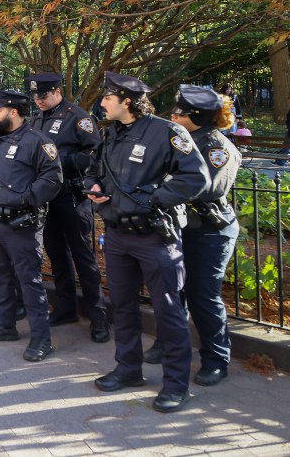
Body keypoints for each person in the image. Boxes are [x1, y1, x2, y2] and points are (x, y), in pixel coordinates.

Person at [85, 72, 209, 413]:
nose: (102, 103)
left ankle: (176, 385)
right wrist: (95, 187)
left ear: (126, 100)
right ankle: (128, 370)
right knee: (122, 307)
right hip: (117, 235)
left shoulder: (167, 132)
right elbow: (93, 170)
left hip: (154, 237)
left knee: (168, 314)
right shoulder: (109, 135)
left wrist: (153, 198)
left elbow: (196, 177)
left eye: (108, 98)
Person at [142, 86, 242, 386]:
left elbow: (205, 186)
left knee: (203, 294)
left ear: (196, 117)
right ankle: (169, 343)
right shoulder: (179, 139)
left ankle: (216, 358)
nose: (172, 116)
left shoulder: (216, 147)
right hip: (178, 225)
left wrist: (160, 187)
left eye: (179, 113)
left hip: (209, 230)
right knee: (173, 290)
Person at [0, 90, 63, 361]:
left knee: (29, 281)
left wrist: (24, 199)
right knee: (1, 276)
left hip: (21, 224)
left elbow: (52, 179)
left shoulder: (38, 142)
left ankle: (41, 339)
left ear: (13, 112)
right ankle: (5, 324)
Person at [27, 73, 109, 343]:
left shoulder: (78, 117)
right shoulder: (38, 117)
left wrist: (61, 160)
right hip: (48, 195)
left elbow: (94, 154)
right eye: (36, 96)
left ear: (58, 91)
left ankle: (98, 317)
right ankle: (65, 308)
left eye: (44, 95)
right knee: (56, 254)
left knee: (82, 256)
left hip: (72, 195)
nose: (39, 100)